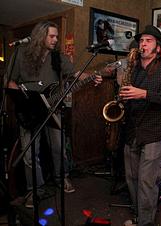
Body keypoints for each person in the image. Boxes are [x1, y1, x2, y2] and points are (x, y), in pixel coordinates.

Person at [5, 21, 102, 208]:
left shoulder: (58, 57)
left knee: (58, 147)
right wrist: (24, 101)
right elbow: (10, 82)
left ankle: (62, 178)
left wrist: (93, 76)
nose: (55, 40)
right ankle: (35, 189)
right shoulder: (21, 55)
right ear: (40, 36)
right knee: (30, 154)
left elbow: (75, 73)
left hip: (51, 109)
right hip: (28, 111)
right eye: (52, 36)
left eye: (57, 36)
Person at [119, 25, 161, 226]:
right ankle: (139, 216)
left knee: (147, 181)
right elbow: (129, 96)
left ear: (158, 47)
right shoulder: (133, 69)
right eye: (141, 40)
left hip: (154, 131)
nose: (143, 44)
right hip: (132, 130)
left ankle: (145, 223)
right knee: (132, 178)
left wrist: (143, 93)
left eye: (148, 40)